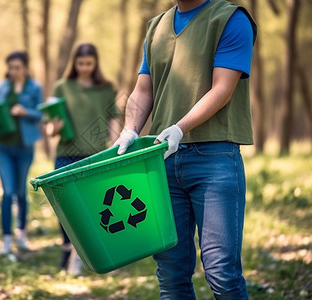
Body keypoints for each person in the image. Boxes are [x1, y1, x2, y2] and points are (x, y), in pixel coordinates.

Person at [113, 0, 257, 298]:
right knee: (171, 274)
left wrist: (181, 127)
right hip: (161, 161)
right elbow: (143, 89)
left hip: (214, 159)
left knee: (222, 274)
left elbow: (223, 88)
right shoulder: (156, 27)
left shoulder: (231, 19)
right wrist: (129, 129)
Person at [47, 43, 121, 275]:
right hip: (65, 154)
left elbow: (113, 120)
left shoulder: (106, 88)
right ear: (75, 63)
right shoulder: (62, 87)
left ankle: (89, 255)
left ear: (95, 63)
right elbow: (51, 125)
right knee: (64, 206)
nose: (85, 68)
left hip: (95, 155)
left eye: (89, 63)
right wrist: (54, 128)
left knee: (95, 206)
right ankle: (68, 249)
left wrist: (115, 147)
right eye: (81, 64)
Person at [0, 51, 43, 258]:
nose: (13, 71)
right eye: (10, 67)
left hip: (24, 147)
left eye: (17, 67)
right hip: (2, 147)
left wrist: (25, 112)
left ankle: (21, 234)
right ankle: (6, 239)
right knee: (7, 192)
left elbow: (42, 113)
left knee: (21, 192)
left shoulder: (35, 87)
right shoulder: (2, 88)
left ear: (25, 67)